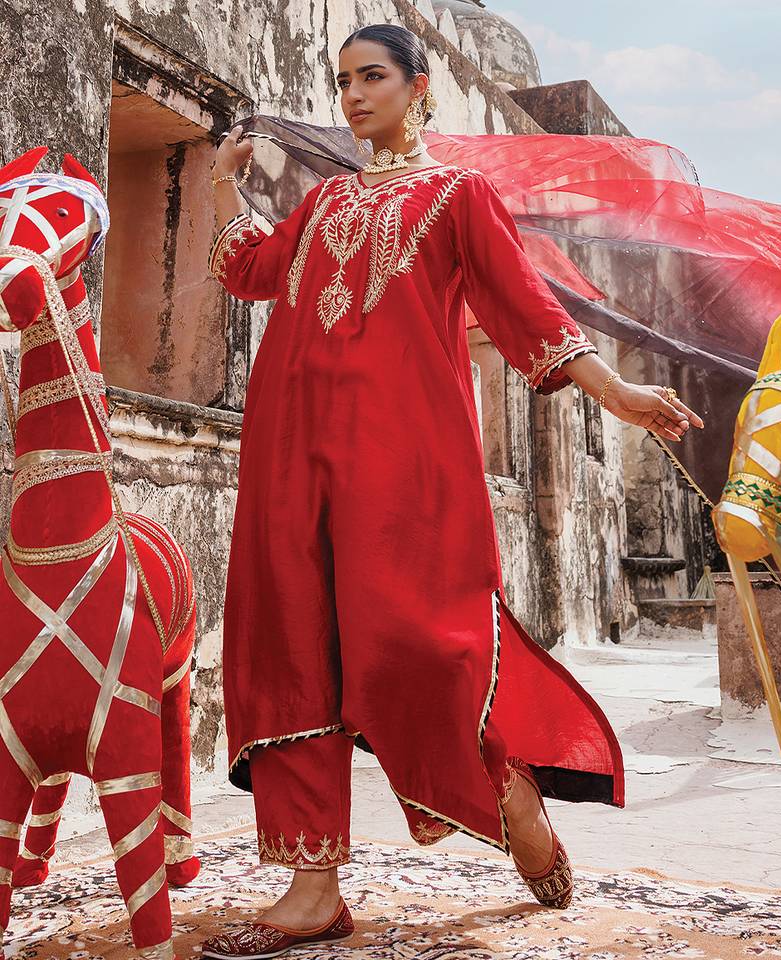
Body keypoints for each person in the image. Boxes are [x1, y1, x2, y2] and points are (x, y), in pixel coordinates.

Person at [201, 22, 704, 960]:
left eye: (373, 76)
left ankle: (507, 788)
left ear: (419, 85)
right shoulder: (325, 203)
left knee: (419, 650)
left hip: (402, 462)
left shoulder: (458, 196)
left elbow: (526, 308)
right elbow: (253, 273)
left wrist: (616, 392)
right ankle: (313, 889)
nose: (354, 96)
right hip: (288, 454)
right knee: (289, 647)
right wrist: (227, 182)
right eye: (343, 81)